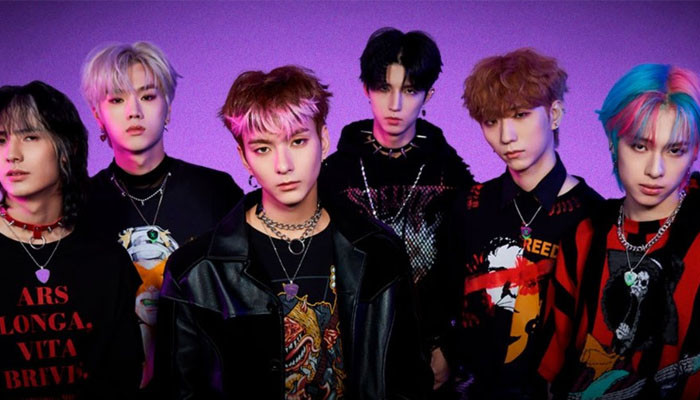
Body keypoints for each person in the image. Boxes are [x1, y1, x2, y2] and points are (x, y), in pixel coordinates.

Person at [157, 65, 432, 399]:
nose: (283, 165)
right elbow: (178, 392)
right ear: (244, 157)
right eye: (263, 148)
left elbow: (409, 383)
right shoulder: (196, 271)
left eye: (298, 141)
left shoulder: (380, 253)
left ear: (324, 140)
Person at [79, 41, 243, 390]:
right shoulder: (80, 204)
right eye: (117, 99)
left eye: (148, 96)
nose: (134, 111)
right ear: (97, 115)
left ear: (167, 108)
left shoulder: (217, 191)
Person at [320, 27, 475, 390]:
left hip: (427, 352)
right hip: (347, 347)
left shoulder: (451, 175)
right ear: (366, 89)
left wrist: (445, 345)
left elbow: (464, 267)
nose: (394, 105)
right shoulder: (333, 173)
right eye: (383, 88)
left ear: (428, 95)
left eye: (409, 90)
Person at [447, 48, 603, 398]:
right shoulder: (470, 205)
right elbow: (446, 301)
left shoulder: (593, 216)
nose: (506, 136)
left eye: (520, 115)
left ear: (554, 114)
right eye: (492, 121)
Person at [539, 63, 700, 399]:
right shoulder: (583, 237)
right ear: (614, 143)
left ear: (694, 153)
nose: (655, 170)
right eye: (640, 146)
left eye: (674, 150)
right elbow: (554, 366)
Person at [0, 81, 142, 399]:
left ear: (69, 148)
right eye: (0, 140)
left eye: (30, 137)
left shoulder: (108, 261)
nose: (12, 155)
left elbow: (124, 377)